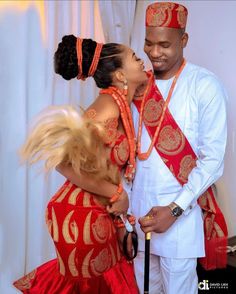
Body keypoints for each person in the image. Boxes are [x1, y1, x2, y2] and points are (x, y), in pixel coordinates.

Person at [13, 35, 147, 293]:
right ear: (120, 75)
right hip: (81, 215)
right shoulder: (107, 107)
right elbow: (64, 163)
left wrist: (120, 223)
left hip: (93, 212)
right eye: (134, 57)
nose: (141, 60)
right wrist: (117, 194)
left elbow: (105, 168)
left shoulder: (118, 105)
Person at [129, 2, 228, 294]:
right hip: (139, 221)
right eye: (148, 43)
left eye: (164, 44)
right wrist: (125, 220)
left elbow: (213, 161)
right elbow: (126, 154)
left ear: (183, 41)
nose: (154, 53)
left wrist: (173, 210)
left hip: (178, 223)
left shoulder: (204, 86)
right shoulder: (137, 86)